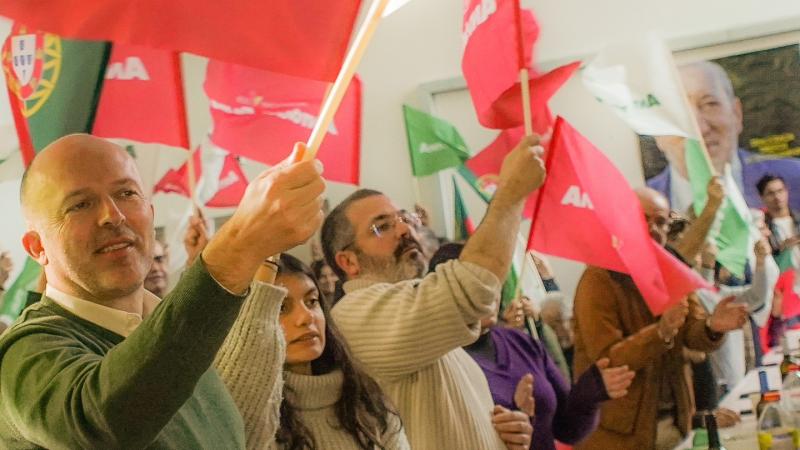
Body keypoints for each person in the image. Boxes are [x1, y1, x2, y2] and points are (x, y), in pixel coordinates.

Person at [0, 134, 326, 448]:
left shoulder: (179, 336)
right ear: (37, 246)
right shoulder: (25, 353)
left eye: (126, 194)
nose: (113, 215)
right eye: (80, 204)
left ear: (150, 214)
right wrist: (237, 247)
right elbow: (102, 425)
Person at [321, 135, 545, 449]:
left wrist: (503, 434)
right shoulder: (356, 314)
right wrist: (510, 193)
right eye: (382, 226)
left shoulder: (411, 305)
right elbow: (472, 287)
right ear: (349, 261)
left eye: (403, 218)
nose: (404, 230)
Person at [572, 187, 748, 450]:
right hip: (620, 432)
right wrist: (661, 333)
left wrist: (712, 326)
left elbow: (693, 332)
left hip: (675, 420)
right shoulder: (599, 279)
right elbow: (608, 361)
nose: (654, 229)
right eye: (644, 219)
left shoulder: (670, 271)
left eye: (662, 222)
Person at [430, 241, 635, 450]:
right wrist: (515, 427)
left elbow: (568, 429)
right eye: (474, 282)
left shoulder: (520, 342)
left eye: (492, 278)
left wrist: (591, 391)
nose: (489, 290)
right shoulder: (438, 363)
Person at [215, 253, 409, 449]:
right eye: (281, 307)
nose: (306, 317)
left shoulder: (365, 400)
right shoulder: (251, 417)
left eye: (312, 301)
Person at [649, 61, 800, 213]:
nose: (700, 130)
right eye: (679, 111)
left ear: (736, 114)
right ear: (656, 130)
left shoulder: (795, 179)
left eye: (710, 104)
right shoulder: (637, 208)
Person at [759, 174, 800, 271]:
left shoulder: (797, 219)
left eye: (780, 191)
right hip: (782, 281)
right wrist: (782, 248)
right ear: (762, 197)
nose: (777, 197)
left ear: (786, 191)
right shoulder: (763, 228)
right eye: (770, 193)